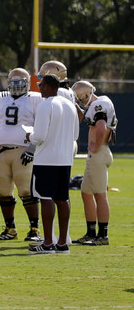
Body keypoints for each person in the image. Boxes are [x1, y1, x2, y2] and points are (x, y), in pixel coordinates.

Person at [0, 68, 42, 242]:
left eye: (20, 81)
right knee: (4, 191)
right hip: (2, 150)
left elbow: (40, 126)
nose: (16, 85)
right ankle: (10, 228)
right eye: (13, 81)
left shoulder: (35, 99)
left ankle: (34, 229)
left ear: (28, 82)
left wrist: (32, 148)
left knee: (26, 190)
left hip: (23, 150)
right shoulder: (0, 98)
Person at [27, 72, 80, 254]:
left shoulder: (46, 104)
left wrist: (29, 135)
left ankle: (48, 242)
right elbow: (75, 135)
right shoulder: (70, 105)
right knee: (63, 198)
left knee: (46, 197)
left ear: (48, 86)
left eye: (41, 85)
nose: (39, 88)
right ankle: (62, 242)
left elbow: (39, 136)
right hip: (65, 158)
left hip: (46, 159)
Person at [72, 81, 116, 246]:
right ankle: (91, 233)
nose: (80, 102)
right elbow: (114, 123)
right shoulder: (101, 102)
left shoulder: (98, 104)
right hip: (98, 154)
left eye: (80, 99)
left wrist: (96, 145)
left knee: (100, 195)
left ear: (85, 95)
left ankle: (103, 235)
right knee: (86, 192)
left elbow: (101, 126)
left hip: (98, 154)